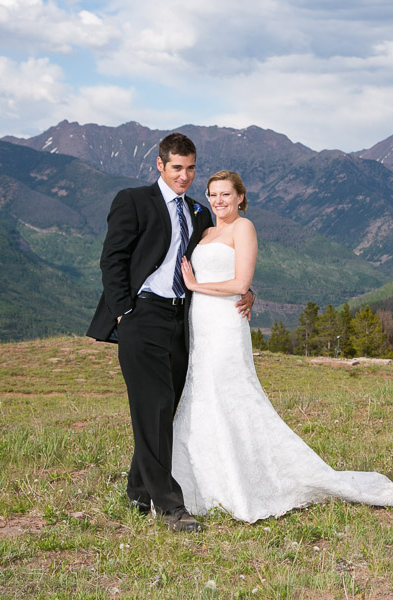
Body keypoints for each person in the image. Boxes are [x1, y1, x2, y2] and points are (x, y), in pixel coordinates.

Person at [172, 170, 393, 523]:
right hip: (202, 324)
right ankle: (203, 482)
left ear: (240, 196)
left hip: (225, 323)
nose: (218, 201)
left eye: (225, 194)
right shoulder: (206, 230)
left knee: (230, 392)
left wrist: (196, 285)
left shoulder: (244, 228)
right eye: (212, 194)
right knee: (202, 394)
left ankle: (248, 482)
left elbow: (241, 282)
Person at [86, 134, 254, 532]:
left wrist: (245, 289)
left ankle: (138, 492)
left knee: (165, 409)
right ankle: (170, 507)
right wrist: (124, 310)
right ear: (160, 166)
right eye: (177, 167)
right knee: (154, 406)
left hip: (183, 321)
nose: (184, 175)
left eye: (191, 168)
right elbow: (112, 259)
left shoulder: (197, 211)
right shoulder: (133, 200)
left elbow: (220, 261)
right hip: (142, 315)